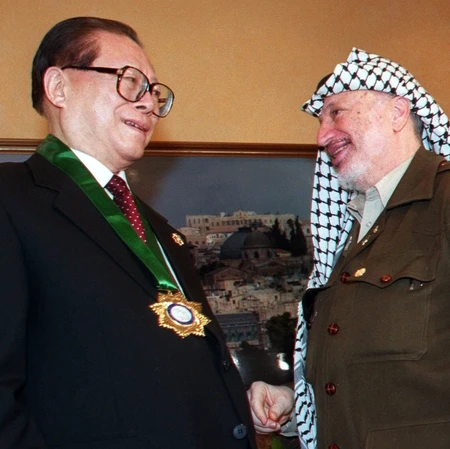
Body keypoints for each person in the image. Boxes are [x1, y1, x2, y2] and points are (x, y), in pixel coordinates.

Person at [0, 16, 257, 449]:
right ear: (59, 87)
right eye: (130, 81)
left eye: (154, 92)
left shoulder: (159, 229)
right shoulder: (11, 202)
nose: (149, 104)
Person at [248, 47, 450, 449]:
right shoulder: (350, 227)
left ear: (397, 113)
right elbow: (375, 372)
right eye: (320, 120)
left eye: (336, 113)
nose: (322, 136)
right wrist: (296, 403)